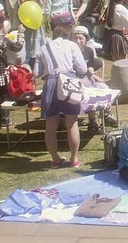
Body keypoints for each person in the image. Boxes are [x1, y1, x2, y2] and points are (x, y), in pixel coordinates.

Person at [35, 18, 86, 168]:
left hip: (50, 82)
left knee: (50, 125)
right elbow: (82, 69)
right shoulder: (72, 45)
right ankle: (74, 158)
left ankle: (55, 159)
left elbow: (36, 73)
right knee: (72, 122)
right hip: (68, 81)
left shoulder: (43, 48)